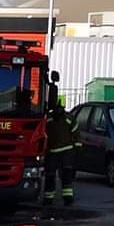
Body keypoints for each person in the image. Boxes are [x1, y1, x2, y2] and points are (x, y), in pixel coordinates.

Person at [43, 74, 78, 206]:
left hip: (61, 152)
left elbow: (76, 134)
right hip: (57, 152)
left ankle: (62, 198)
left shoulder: (55, 119)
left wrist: (77, 148)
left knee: (63, 176)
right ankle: (51, 198)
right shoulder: (52, 119)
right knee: (53, 176)